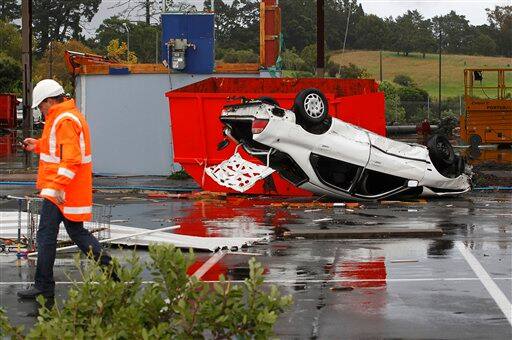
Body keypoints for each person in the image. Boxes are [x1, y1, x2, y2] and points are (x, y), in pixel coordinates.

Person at [17, 79, 114, 299]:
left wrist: (59, 187)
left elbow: (70, 159)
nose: (40, 110)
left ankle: (43, 285)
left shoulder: (64, 120)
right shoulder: (65, 117)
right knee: (76, 233)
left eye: (41, 105)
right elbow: (58, 148)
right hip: (66, 188)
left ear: (50, 101)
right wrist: (37, 146)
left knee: (46, 235)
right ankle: (111, 271)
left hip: (60, 189)